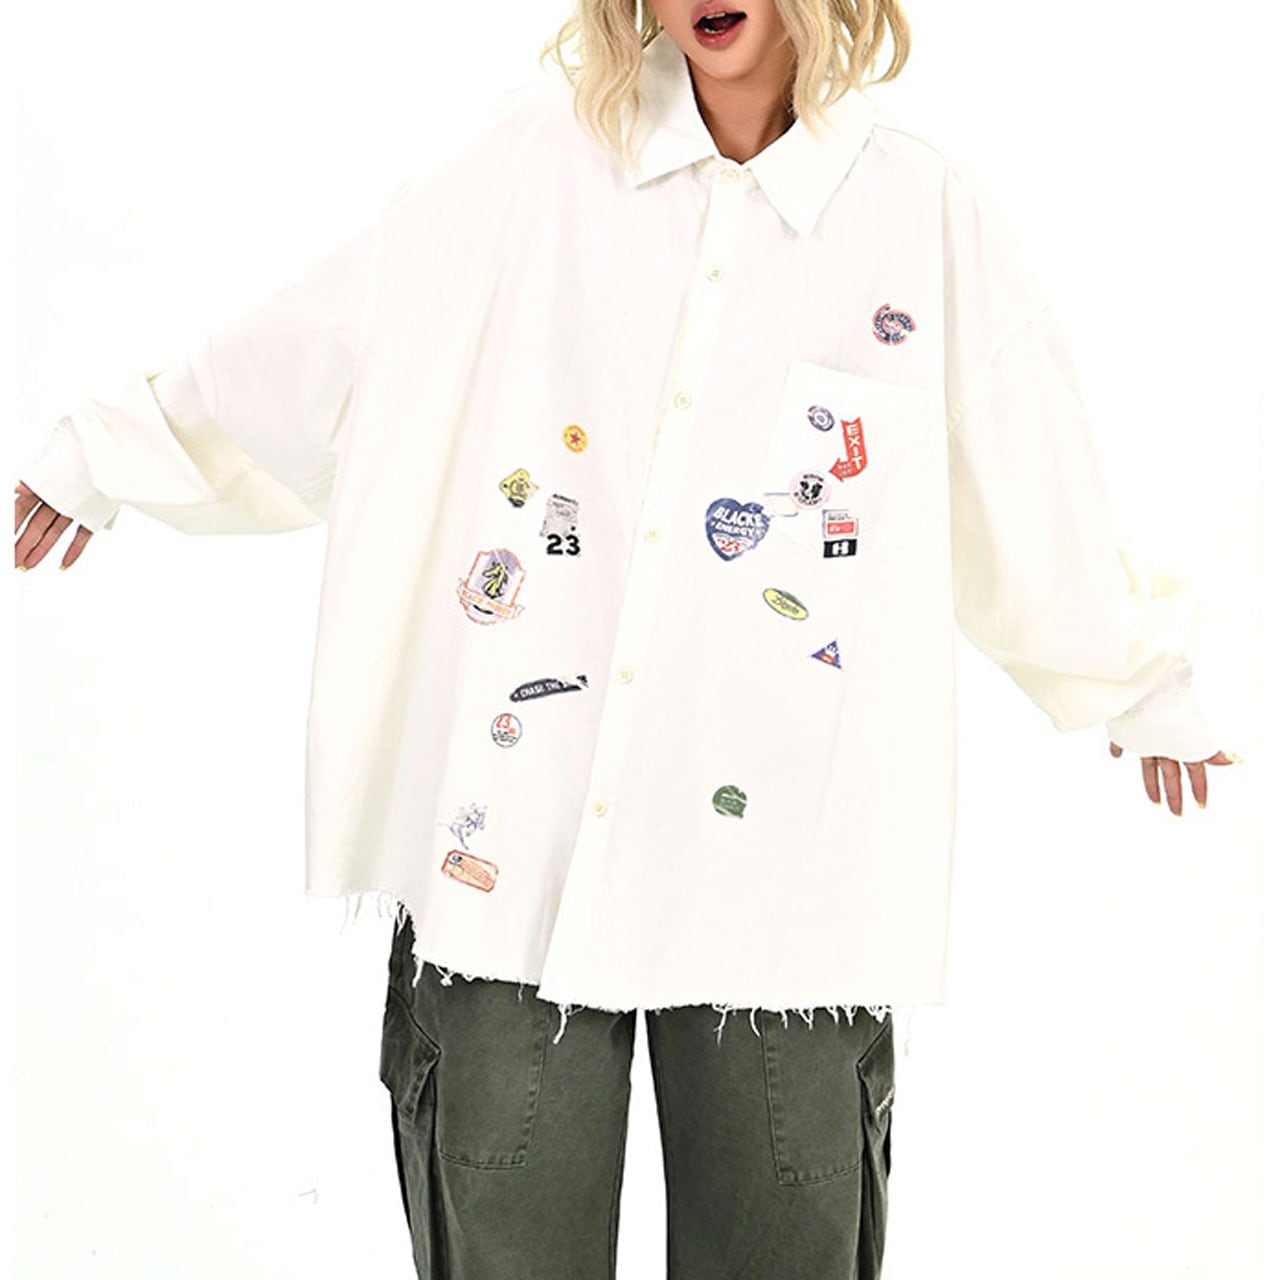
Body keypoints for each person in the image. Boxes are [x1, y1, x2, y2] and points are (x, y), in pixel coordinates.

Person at [13, 2, 1243, 1277]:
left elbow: (1023, 474)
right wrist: (119, 446)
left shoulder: (918, 217)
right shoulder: (530, 169)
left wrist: (1133, 672)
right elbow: (330, 333)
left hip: (784, 878)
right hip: (514, 847)